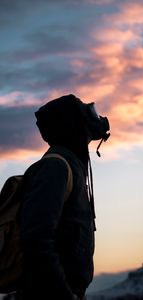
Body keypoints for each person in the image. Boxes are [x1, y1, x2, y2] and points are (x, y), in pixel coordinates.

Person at [20, 94, 110, 300]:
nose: (95, 118)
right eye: (88, 113)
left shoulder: (71, 165)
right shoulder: (55, 168)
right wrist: (64, 295)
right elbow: (36, 239)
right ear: (73, 125)